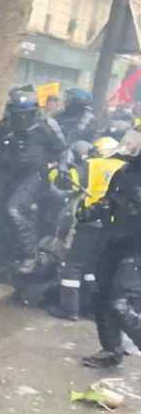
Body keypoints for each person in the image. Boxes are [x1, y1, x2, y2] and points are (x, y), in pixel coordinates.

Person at [0, 88, 66, 276]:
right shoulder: (3, 127)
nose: (22, 119)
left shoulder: (46, 127)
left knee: (15, 209)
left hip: (33, 176)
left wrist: (63, 167)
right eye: (18, 114)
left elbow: (61, 150)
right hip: (3, 176)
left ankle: (30, 255)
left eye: (26, 114)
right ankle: (0, 259)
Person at [81, 128, 141, 368]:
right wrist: (93, 210)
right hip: (115, 242)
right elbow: (110, 199)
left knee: (120, 302)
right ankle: (111, 350)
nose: (133, 145)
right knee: (101, 294)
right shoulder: (124, 171)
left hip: (137, 248)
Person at [51, 137, 125, 322]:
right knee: (93, 267)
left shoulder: (92, 164)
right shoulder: (125, 167)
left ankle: (69, 309)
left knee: (73, 265)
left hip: (91, 222)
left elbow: (65, 182)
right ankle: (91, 308)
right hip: (113, 226)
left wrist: (55, 170)